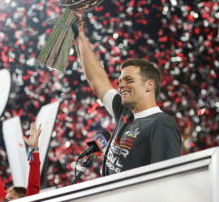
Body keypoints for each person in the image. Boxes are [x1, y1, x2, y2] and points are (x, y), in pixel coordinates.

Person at [73, 13, 182, 176]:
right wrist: (79, 35)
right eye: (120, 81)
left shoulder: (161, 125)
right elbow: (97, 81)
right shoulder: (124, 112)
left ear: (149, 85)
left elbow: (164, 179)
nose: (121, 85)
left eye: (129, 80)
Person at [0, 122, 42, 201]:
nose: (6, 201)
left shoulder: (30, 199)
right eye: (7, 199)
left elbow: (33, 184)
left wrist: (34, 148)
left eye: (11, 198)